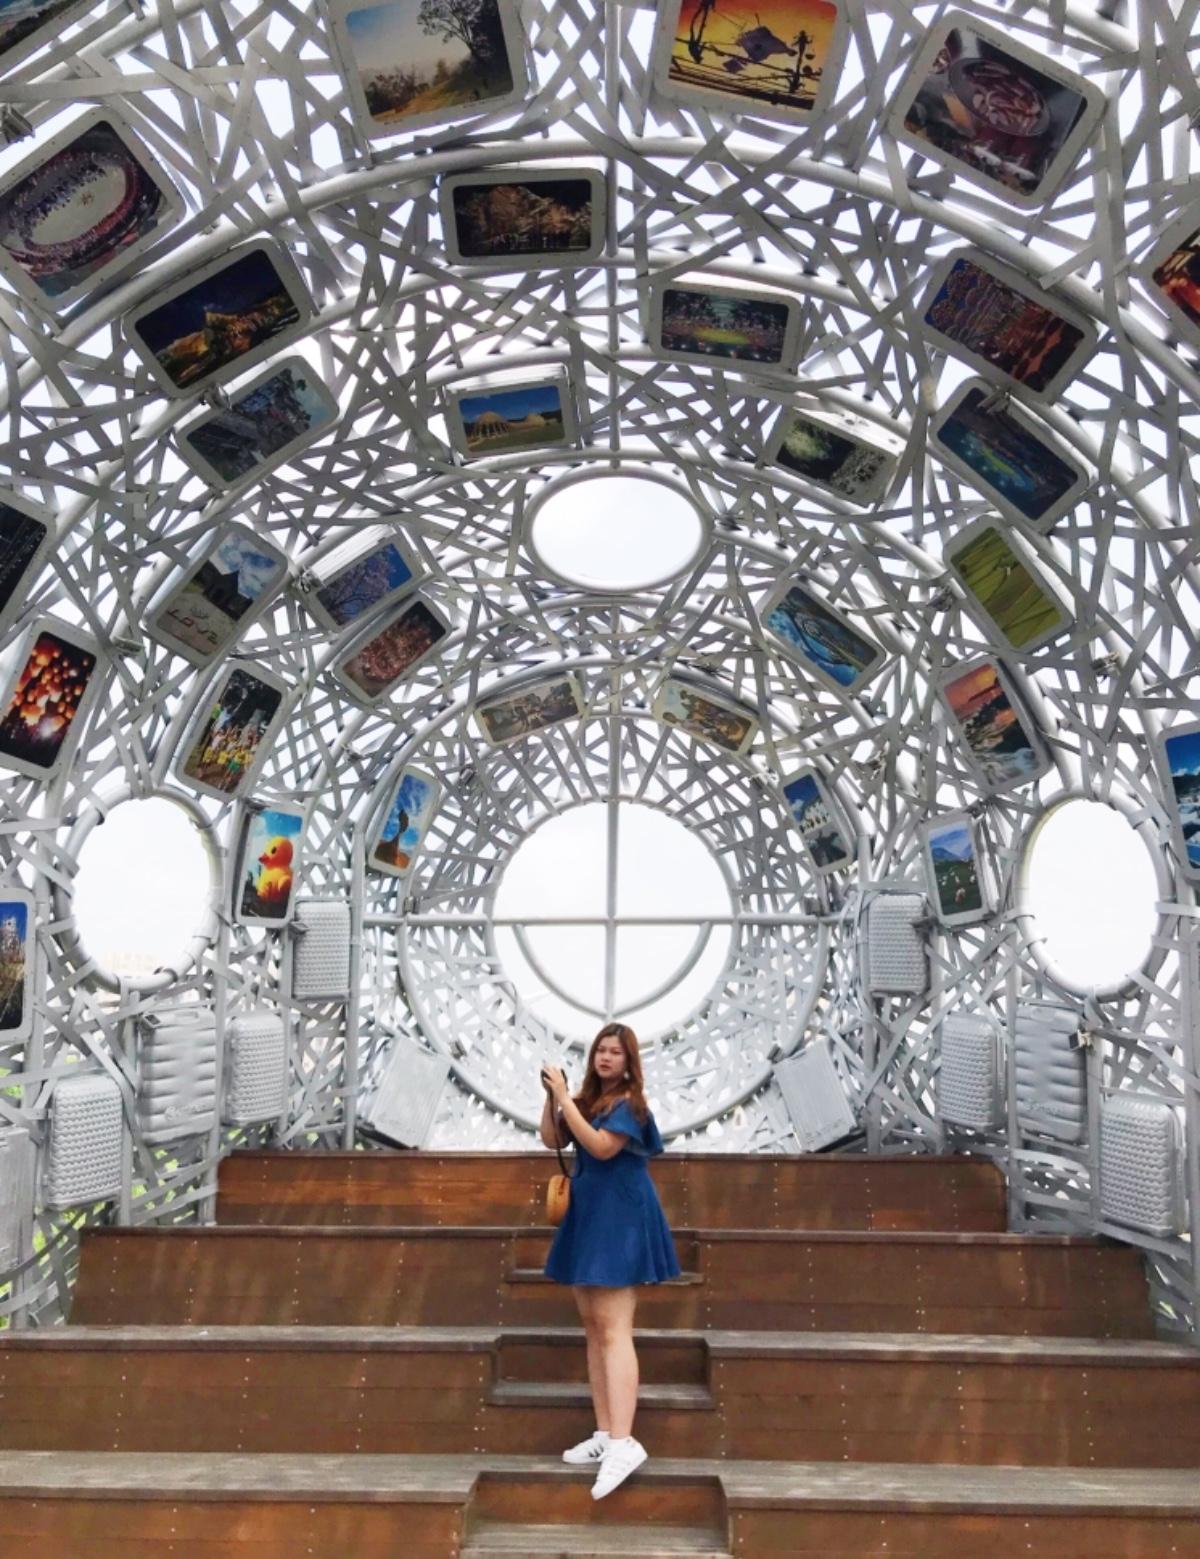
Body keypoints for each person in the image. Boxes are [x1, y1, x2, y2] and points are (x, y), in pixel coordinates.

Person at [538, 1022, 681, 1500]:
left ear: (629, 1061)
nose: (605, 1057)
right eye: (600, 1049)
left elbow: (601, 1148)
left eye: (615, 1052)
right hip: (591, 1215)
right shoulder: (587, 1102)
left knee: (615, 1328)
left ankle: (624, 1442)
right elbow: (552, 1140)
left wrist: (565, 1099)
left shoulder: (630, 1106)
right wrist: (553, 1098)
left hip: (620, 1216)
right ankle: (605, 1433)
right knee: (594, 1327)